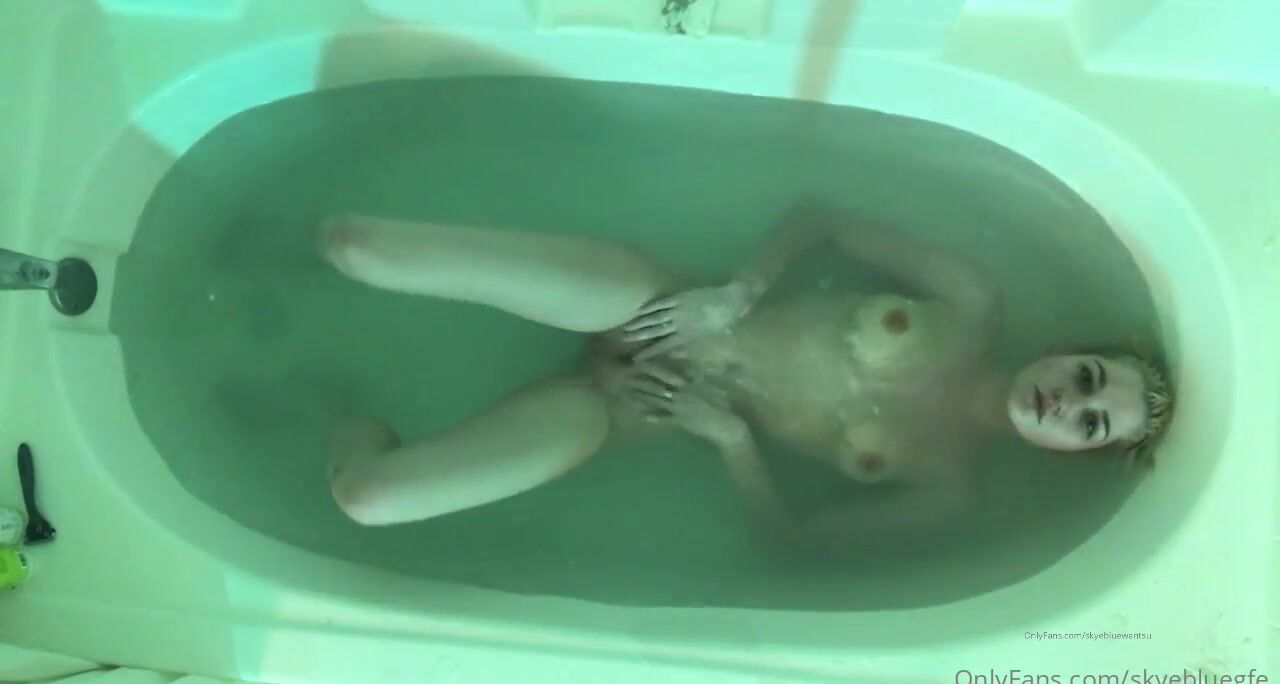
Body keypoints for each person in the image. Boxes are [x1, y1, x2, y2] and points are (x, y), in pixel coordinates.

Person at [317, 201, 1174, 550]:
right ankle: (278, 256)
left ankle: (322, 400)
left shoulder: (947, 489)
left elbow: (792, 543)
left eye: (1090, 423)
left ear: (1074, 453)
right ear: (1073, 349)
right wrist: (740, 291)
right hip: (657, 307)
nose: (1068, 401)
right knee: (359, 245)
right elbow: (825, 217)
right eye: (1089, 377)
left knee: (371, 498)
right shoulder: (970, 301)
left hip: (634, 410)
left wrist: (729, 440)